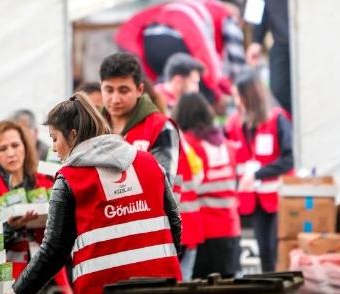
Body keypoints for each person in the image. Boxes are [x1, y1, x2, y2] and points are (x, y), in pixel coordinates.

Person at [0, 92, 182, 294]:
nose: (54, 148)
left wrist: (18, 293)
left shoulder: (69, 179)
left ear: (73, 135)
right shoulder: (149, 163)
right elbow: (175, 223)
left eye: (55, 138)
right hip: (163, 290)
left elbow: (54, 249)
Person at [99, 52, 203, 281]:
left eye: (123, 90)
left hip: (158, 240)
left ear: (139, 89)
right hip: (109, 243)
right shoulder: (93, 129)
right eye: (109, 90)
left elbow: (158, 183)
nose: (115, 98)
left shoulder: (160, 127)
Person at [0, 120, 72, 294]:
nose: (11, 153)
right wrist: (10, 228)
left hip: (50, 278)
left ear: (26, 147)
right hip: (8, 282)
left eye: (15, 145)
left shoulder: (46, 180)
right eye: (2, 149)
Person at [225, 69, 293, 272]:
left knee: (274, 250)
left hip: (277, 198)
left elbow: (289, 159)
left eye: (239, 96)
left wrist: (257, 174)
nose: (236, 102)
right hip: (251, 199)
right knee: (264, 251)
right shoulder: (234, 124)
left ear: (250, 95)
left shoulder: (277, 119)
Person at [173, 93, 241, 278]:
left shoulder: (189, 144)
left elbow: (190, 183)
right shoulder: (226, 144)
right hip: (231, 228)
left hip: (206, 231)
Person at [246, 0, 291, 114]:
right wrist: (256, 40)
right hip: (281, 42)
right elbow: (259, 8)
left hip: (307, 42)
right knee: (278, 91)